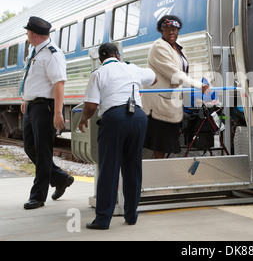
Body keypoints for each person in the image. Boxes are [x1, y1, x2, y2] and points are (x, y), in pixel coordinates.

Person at [78, 43, 156, 230]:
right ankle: (131, 215)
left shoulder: (98, 73)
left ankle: (103, 219)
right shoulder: (132, 68)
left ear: (101, 58)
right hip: (138, 117)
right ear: (118, 55)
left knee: (109, 169)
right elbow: (153, 78)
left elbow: (90, 106)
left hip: (114, 119)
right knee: (133, 167)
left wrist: (83, 120)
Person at [20, 16, 74, 210]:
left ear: (34, 35)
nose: (26, 35)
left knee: (43, 152)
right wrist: (26, 97)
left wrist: (58, 113)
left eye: (27, 32)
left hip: (45, 108)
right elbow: (33, 77)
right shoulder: (34, 50)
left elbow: (59, 83)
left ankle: (38, 196)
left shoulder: (53, 54)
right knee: (30, 148)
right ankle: (60, 178)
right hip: (33, 106)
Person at [142, 15, 210, 159]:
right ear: (161, 31)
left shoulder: (177, 48)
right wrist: (199, 85)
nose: (171, 32)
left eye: (174, 29)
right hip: (159, 105)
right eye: (167, 30)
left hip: (171, 103)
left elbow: (182, 72)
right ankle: (159, 175)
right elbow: (174, 73)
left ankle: (163, 174)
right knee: (159, 144)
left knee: (167, 143)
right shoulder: (159, 46)